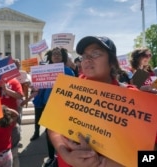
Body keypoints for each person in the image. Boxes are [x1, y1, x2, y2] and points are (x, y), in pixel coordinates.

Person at [48, 36, 138, 167]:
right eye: (84, 56)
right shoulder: (67, 89)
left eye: (96, 53)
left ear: (112, 62)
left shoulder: (134, 98)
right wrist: (65, 154)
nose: (87, 60)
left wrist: (119, 163)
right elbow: (53, 127)